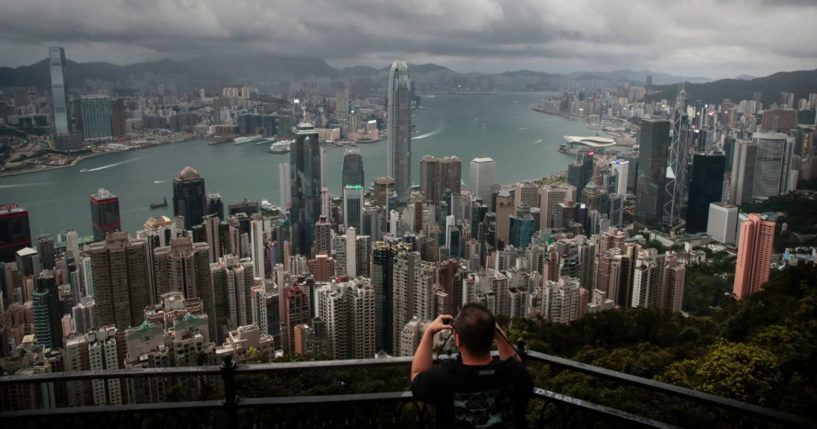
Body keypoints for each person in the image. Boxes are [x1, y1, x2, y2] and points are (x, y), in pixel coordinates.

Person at [410, 303, 534, 428]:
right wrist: (498, 334)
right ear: (493, 336)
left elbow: (416, 375)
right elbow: (517, 365)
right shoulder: (515, 372)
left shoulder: (444, 378)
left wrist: (429, 331)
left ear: (457, 339)